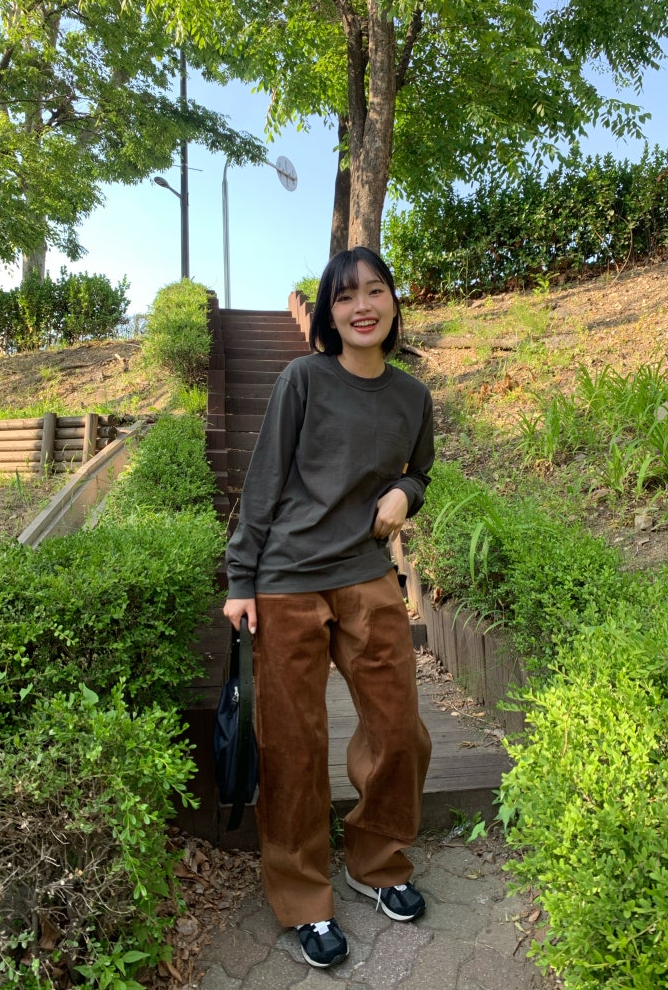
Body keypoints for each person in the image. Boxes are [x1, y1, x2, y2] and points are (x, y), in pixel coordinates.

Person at [223, 246, 435, 969]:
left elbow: (420, 469)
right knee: (292, 743)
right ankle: (302, 896)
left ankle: (375, 860)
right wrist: (240, 578)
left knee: (398, 729)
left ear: (393, 302)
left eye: (374, 291)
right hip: (287, 577)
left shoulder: (412, 396)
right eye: (345, 296)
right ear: (327, 313)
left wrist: (405, 492)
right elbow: (264, 479)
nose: (361, 306)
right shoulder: (303, 378)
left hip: (366, 572)